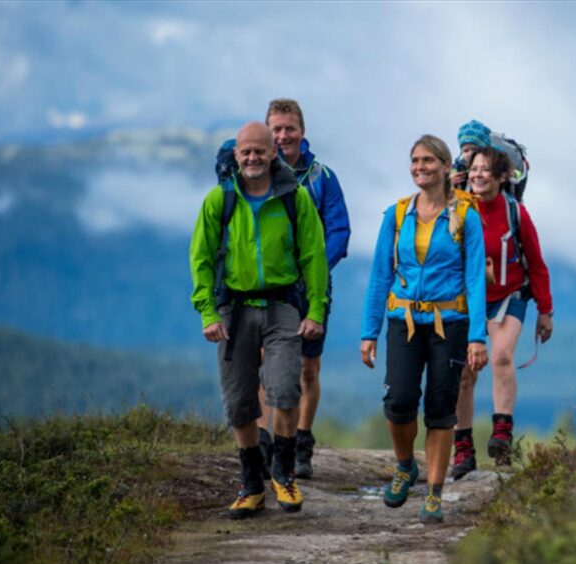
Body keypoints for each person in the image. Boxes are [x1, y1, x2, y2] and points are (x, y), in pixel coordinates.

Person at [190, 121, 328, 519]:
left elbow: (313, 256)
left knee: (285, 389)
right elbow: (200, 258)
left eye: (259, 151)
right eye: (245, 152)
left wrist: (316, 310)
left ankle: (282, 475)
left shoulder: (294, 198)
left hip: (283, 307)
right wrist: (208, 311)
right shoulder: (220, 200)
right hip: (233, 310)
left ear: (274, 153)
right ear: (236, 155)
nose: (252, 158)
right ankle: (251, 485)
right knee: (239, 403)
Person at [360, 134, 489, 523]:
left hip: (451, 323)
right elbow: (380, 275)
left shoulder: (466, 215)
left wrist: (478, 337)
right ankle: (405, 466)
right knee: (399, 402)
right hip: (403, 321)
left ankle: (433, 493)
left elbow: (475, 278)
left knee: (440, 408)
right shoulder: (397, 214)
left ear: (447, 166)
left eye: (428, 160)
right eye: (415, 160)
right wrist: (370, 331)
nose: (420, 167)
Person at [254, 98, 351, 480]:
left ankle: (301, 442)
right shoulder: (255, 174)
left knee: (308, 368)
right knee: (265, 362)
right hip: (268, 287)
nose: (282, 136)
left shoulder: (322, 176)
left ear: (302, 131)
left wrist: (314, 270)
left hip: (311, 289)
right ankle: (263, 442)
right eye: (275, 129)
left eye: (289, 128)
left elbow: (339, 231)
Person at [451, 145, 554, 479]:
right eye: (474, 169)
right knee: (465, 374)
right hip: (467, 301)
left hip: (509, 295)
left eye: (486, 170)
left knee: (501, 357)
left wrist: (545, 310)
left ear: (501, 176)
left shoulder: (515, 213)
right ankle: (463, 449)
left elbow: (536, 264)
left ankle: (501, 436)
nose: (478, 175)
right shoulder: (456, 208)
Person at [449, 119, 492, 191]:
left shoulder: (494, 164)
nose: (470, 153)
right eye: (466, 150)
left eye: (474, 149)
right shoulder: (456, 168)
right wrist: (448, 183)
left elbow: (515, 176)